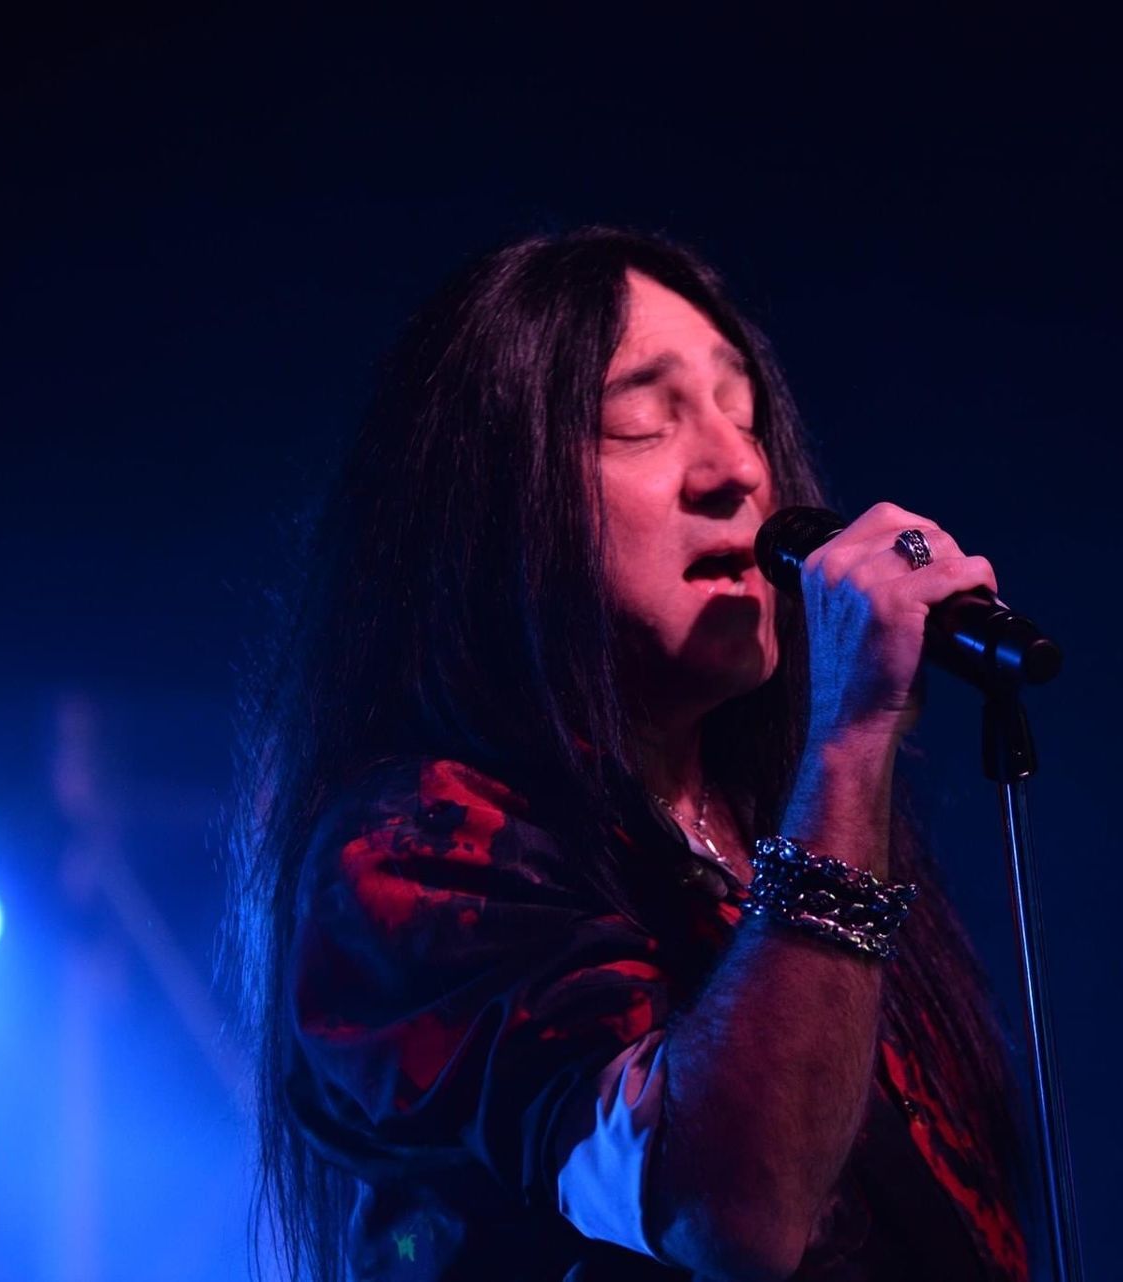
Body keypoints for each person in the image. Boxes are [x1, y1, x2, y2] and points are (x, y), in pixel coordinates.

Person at [229, 227, 1032, 1280]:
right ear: (500, 503)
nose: (741, 469)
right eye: (643, 422)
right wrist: (851, 738)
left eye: (743, 416)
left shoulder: (768, 831)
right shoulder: (417, 849)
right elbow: (725, 1210)